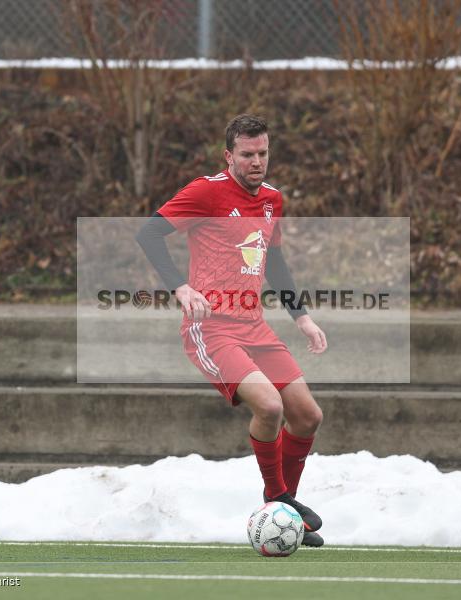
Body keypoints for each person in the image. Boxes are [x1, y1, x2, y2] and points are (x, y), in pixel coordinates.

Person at [136, 114, 328, 546]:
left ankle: (283, 508)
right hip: (211, 329)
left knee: (307, 415)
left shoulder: (272, 200)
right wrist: (181, 288)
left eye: (263, 153)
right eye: (247, 154)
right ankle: (277, 499)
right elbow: (149, 233)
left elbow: (274, 262)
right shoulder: (206, 191)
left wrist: (302, 317)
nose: (257, 161)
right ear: (229, 156)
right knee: (270, 406)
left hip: (254, 326)